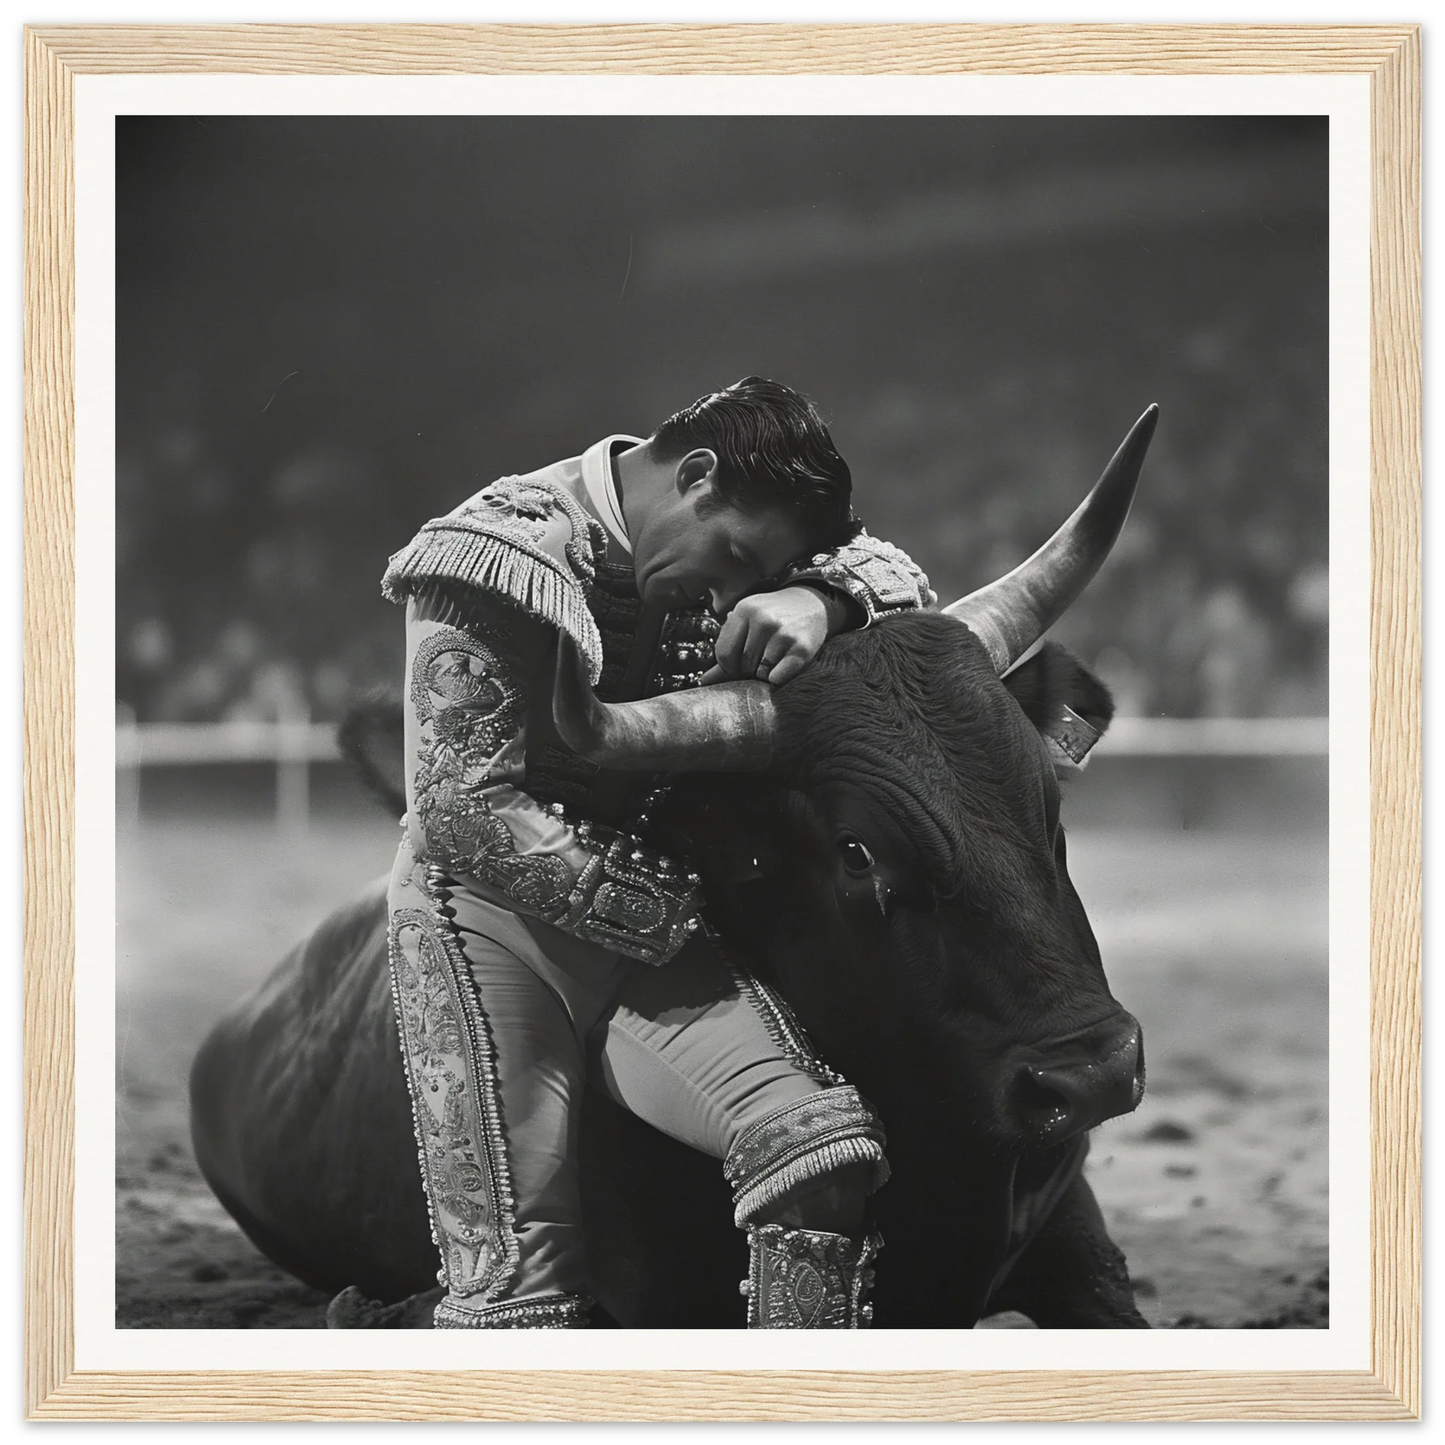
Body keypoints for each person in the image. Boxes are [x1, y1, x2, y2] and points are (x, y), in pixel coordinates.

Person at [380, 377, 936, 1329]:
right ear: (697, 476)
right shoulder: (501, 542)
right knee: (517, 1297)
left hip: (642, 914)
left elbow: (903, 579)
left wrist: (819, 598)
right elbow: (462, 807)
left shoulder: (747, 552)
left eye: (752, 576)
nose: (729, 595)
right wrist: (679, 914)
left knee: (823, 1151)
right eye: (733, 557)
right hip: (479, 921)